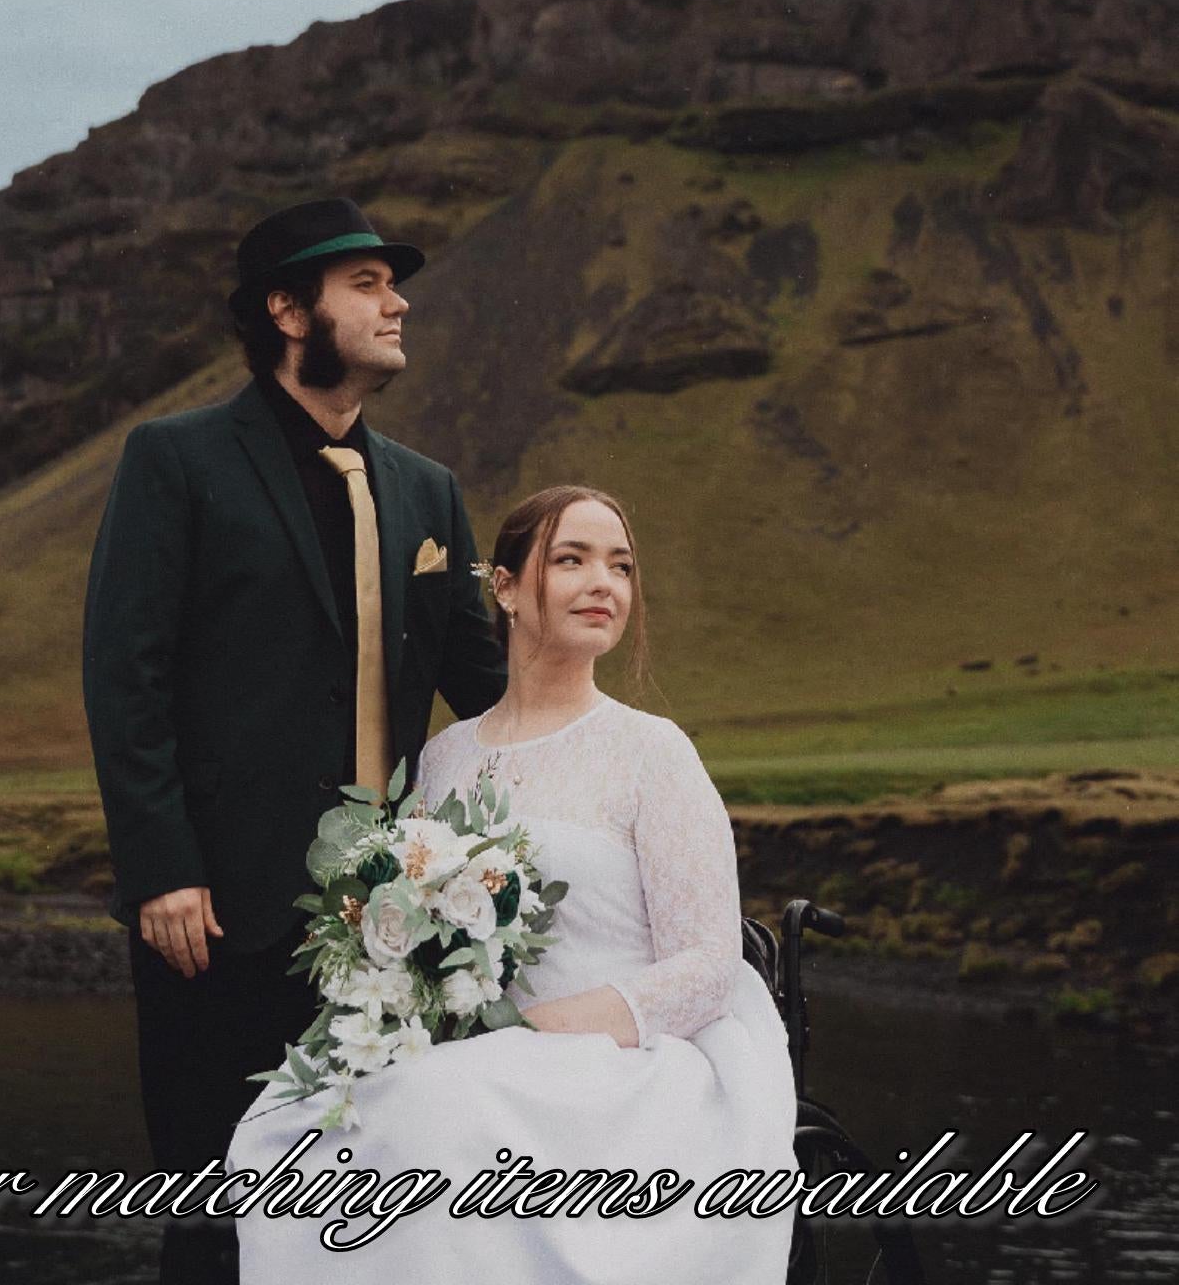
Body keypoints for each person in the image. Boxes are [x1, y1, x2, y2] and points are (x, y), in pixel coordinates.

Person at [82, 197, 507, 1283]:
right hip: (219, 912)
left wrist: (617, 755)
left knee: (371, 1213)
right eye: (365, 281)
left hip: (394, 927)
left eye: (391, 281)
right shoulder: (174, 460)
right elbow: (126, 674)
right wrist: (164, 869)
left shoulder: (427, 489)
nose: (397, 298)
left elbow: (490, 687)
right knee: (213, 1206)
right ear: (285, 307)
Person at [228, 484, 798, 1283]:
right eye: (573, 560)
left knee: (441, 1112)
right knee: (281, 1122)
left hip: (620, 1059)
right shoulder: (447, 756)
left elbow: (707, 965)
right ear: (504, 589)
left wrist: (543, 1032)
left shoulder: (651, 752)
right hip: (470, 1051)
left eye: (622, 567)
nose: (605, 583)